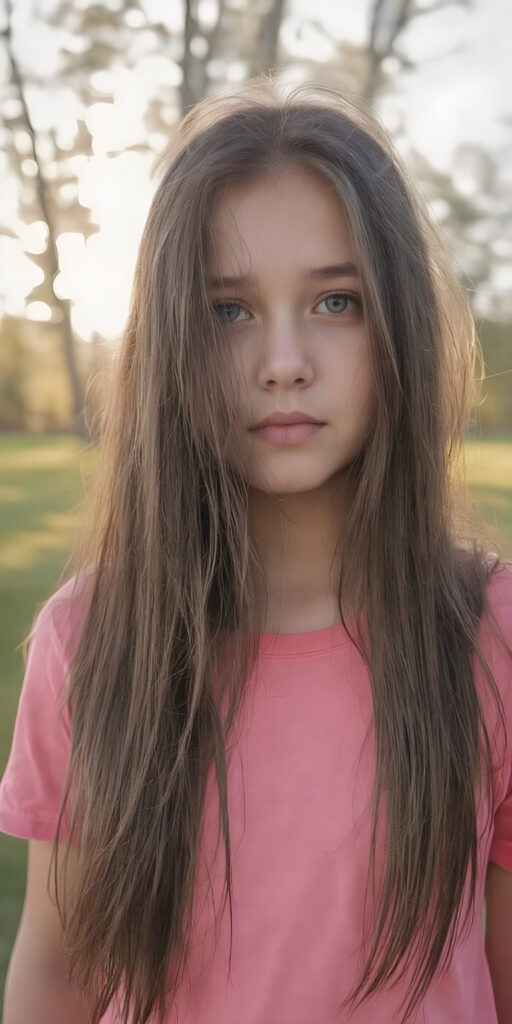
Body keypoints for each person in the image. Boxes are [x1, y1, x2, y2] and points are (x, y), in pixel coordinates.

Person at [1, 76, 511, 1024]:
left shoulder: (491, 632)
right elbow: (58, 963)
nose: (284, 360)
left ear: (397, 321)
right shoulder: (92, 639)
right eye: (229, 311)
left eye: (335, 302)